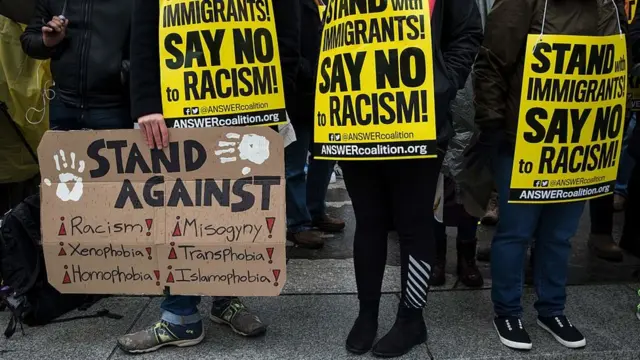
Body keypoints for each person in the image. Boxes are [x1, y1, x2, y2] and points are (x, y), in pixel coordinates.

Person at [116, 0, 300, 353]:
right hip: (178, 112)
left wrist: (278, 97)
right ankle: (178, 316)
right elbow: (143, 33)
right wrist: (147, 103)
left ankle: (225, 298)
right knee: (176, 213)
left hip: (249, 108)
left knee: (233, 210)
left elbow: (285, 33)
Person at [472, 0, 627, 351]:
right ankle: (507, 311)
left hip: (579, 141)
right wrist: (493, 120)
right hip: (523, 138)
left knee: (559, 234)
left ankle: (552, 308)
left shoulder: (608, 6)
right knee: (516, 232)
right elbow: (492, 62)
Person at [338, 1, 482, 357]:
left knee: (413, 223)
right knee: (369, 221)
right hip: (355, 118)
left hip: (418, 119)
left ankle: (411, 319)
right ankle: (367, 312)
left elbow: (467, 33)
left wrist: (442, 84)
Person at [285, 0, 345, 249]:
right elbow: (289, 41)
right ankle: (298, 223)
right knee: (296, 164)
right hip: (301, 90)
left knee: (325, 156)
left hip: (324, 90)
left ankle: (314, 211)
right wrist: (306, 71)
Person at [20, 0, 133, 130]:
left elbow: (149, 46)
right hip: (63, 104)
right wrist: (46, 42)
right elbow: (28, 41)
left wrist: (121, 73)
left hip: (113, 107)